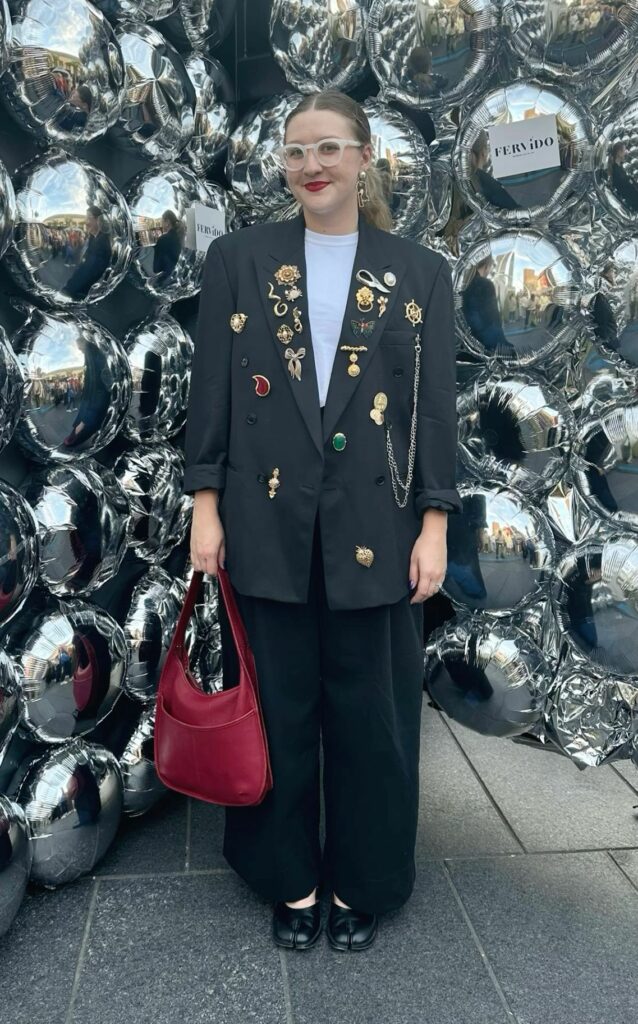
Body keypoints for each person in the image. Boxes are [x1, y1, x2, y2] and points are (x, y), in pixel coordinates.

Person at [183, 89, 462, 954]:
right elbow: (214, 395)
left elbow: (434, 414)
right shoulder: (239, 259)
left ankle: (367, 878)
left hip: (377, 527)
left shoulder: (419, 272)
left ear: (365, 157)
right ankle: (290, 879)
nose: (312, 166)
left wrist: (435, 525)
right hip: (265, 522)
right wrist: (204, 508)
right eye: (297, 151)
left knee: (372, 718)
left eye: (330, 149)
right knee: (279, 709)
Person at [64, 206, 112, 301]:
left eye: (89, 217)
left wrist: (69, 289)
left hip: (83, 292)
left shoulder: (103, 241)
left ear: (98, 220)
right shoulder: (92, 237)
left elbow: (91, 270)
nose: (86, 222)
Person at [152, 210, 183, 284]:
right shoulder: (178, 238)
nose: (161, 224)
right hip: (173, 278)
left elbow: (156, 268)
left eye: (162, 221)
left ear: (167, 222)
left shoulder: (163, 239)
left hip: (162, 280)